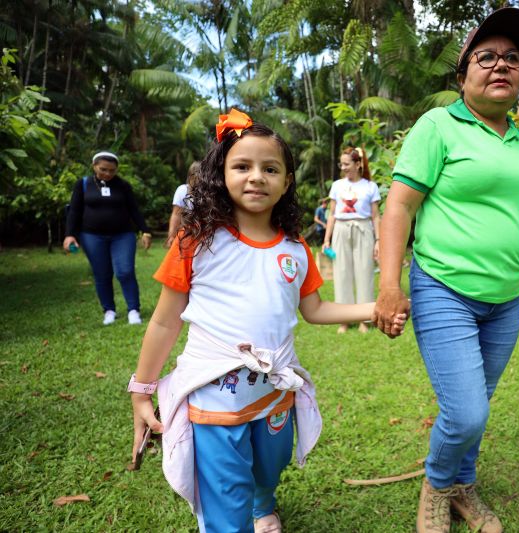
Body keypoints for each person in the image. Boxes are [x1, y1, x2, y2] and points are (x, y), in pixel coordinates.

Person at [371, 8, 519, 533]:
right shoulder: (438, 126)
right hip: (444, 288)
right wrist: (389, 285)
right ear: (463, 74)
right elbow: (400, 207)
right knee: (468, 411)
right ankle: (436, 485)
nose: (502, 66)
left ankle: (463, 486)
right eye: (488, 57)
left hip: (507, 297)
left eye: (513, 59)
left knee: (476, 405)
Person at [128, 109, 405, 533]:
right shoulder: (196, 242)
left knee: (268, 468)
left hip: (276, 395)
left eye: (269, 168)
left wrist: (374, 309)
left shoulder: (295, 249)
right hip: (214, 399)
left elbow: (314, 310)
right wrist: (142, 390)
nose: (256, 176)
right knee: (225, 497)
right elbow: (166, 323)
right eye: (242, 166)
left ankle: (264, 503)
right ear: (222, 173)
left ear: (286, 181)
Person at [63, 151, 152, 326]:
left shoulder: (123, 186)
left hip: (123, 235)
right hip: (92, 236)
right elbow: (74, 211)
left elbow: (134, 210)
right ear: (94, 166)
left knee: (125, 271)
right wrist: (69, 235)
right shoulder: (83, 184)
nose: (108, 174)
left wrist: (145, 230)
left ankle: (133, 310)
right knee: (102, 273)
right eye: (103, 169)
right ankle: (109, 310)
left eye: (112, 170)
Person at [322, 146, 381, 334]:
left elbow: (376, 216)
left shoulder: (370, 187)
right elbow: (331, 214)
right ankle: (344, 320)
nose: (343, 167)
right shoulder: (337, 185)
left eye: (347, 164)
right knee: (342, 273)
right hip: (341, 229)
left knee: (365, 273)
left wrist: (378, 240)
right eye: (342, 164)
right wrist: (326, 239)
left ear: (358, 164)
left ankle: (364, 319)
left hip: (363, 229)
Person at [166, 161, 201, 249]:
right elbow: (176, 214)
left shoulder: (209, 192)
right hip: (186, 233)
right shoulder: (183, 190)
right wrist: (171, 235)